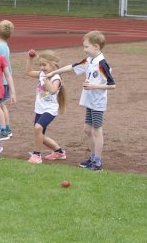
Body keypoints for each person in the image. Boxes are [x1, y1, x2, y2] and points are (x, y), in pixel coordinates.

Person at [45, 31, 116, 171]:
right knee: (87, 129)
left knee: (97, 131)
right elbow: (73, 66)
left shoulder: (102, 63)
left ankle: (98, 163)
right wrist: (54, 72)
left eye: (86, 47)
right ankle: (93, 158)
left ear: (96, 46)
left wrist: (94, 86)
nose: (84, 49)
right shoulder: (89, 60)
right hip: (90, 101)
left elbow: (112, 85)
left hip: (97, 103)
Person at [25, 49, 67, 163]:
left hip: (50, 110)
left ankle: (36, 155)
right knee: (39, 135)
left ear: (53, 64)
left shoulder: (56, 77)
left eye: (44, 65)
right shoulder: (42, 74)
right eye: (40, 65)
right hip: (40, 109)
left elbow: (53, 90)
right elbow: (28, 72)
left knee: (38, 128)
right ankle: (59, 152)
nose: (42, 67)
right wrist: (30, 59)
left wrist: (46, 79)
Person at [0, 20, 15, 139]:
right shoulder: (4, 46)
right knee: (2, 105)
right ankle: (7, 127)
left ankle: (3, 129)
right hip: (4, 81)